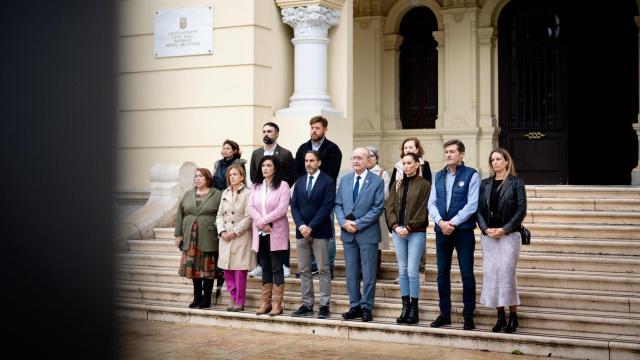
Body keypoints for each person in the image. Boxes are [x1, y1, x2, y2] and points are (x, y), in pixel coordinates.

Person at [427, 139, 479, 330]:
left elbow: (472, 204)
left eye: (452, 152)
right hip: (442, 231)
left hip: (463, 232)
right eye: (446, 152)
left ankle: (468, 316)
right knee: (442, 274)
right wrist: (440, 222)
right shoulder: (438, 176)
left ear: (461, 155)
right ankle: (445, 314)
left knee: (466, 274)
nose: (448, 155)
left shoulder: (471, 174)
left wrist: (453, 223)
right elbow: (431, 203)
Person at [476, 148, 527, 333]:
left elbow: (521, 210)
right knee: (492, 275)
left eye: (498, 159)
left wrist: (505, 229)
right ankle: (500, 318)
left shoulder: (516, 183)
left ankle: (513, 316)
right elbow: (479, 210)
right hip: (489, 236)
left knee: (506, 274)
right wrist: (485, 228)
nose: (495, 162)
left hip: (509, 236)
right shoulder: (485, 184)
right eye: (492, 160)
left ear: (507, 161)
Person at [335, 148, 384, 322]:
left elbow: (378, 208)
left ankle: (366, 307)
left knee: (369, 273)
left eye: (359, 158)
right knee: (352, 272)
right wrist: (343, 222)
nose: (355, 161)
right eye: (353, 157)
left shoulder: (377, 181)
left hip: (367, 233)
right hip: (348, 234)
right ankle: (354, 304)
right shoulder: (345, 179)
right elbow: (338, 204)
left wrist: (358, 223)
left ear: (368, 160)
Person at [293, 116, 342, 279]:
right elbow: (298, 171)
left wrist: (317, 188)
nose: (314, 130)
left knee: (327, 234)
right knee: (306, 231)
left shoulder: (333, 149)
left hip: (325, 197)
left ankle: (328, 265)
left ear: (325, 129)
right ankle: (309, 266)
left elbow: (332, 173)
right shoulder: (303, 148)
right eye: (312, 127)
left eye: (317, 128)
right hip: (305, 197)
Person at [385, 153, 431, 324]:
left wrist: (409, 227)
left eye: (409, 163)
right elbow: (388, 207)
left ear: (417, 164)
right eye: (403, 163)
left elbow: (423, 209)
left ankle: (414, 308)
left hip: (416, 232)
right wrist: (395, 226)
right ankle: (404, 307)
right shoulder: (397, 184)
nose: (406, 166)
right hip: (398, 232)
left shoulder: (425, 185)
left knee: (412, 270)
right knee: (402, 270)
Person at [290, 150, 336, 319]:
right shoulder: (300, 182)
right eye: (306, 161)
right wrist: (301, 225)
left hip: (320, 231)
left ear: (319, 162)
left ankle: (324, 305)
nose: (308, 163)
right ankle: (307, 304)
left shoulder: (328, 181)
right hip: (301, 232)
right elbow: (294, 205)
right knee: (304, 269)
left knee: (323, 269)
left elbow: (327, 206)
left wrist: (311, 226)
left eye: (311, 160)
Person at [249, 122, 295, 279]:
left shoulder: (285, 154)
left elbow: (291, 175)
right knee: (261, 239)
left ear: (277, 134)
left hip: (277, 198)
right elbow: (253, 175)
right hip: (261, 196)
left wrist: (280, 189)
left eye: (269, 131)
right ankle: (260, 265)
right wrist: (261, 220)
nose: (266, 133)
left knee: (280, 235)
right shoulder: (256, 153)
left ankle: (285, 264)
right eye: (264, 131)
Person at [248, 156, 291, 316]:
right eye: (263, 165)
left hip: (276, 231)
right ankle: (265, 302)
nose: (265, 168)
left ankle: (277, 304)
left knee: (276, 267)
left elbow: (282, 209)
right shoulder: (256, 186)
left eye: (268, 165)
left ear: (275, 168)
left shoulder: (283, 186)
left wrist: (263, 221)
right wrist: (260, 222)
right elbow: (250, 206)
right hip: (260, 233)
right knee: (265, 267)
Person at [175, 168, 222, 309]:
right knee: (195, 269)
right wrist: (178, 234)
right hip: (191, 237)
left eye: (201, 176)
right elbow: (180, 214)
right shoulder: (188, 194)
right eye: (196, 176)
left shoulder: (217, 194)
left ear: (207, 178)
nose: (198, 178)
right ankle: (197, 298)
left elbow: (223, 214)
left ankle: (206, 299)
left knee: (208, 270)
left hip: (208, 236)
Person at [216, 164, 254, 312]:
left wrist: (235, 232)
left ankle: (240, 300)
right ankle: (232, 296)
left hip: (240, 236)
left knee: (239, 271)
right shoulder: (224, 193)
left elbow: (249, 216)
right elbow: (219, 215)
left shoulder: (248, 193)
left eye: (235, 174)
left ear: (242, 177)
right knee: (227, 269)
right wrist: (221, 231)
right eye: (230, 175)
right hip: (225, 237)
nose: (232, 177)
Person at [366, 146, 391, 279]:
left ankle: (375, 271)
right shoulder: (360, 172)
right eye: (367, 156)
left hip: (377, 213)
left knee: (376, 243)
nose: (369, 158)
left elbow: (384, 194)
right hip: (362, 215)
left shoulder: (382, 173)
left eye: (372, 156)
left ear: (376, 158)